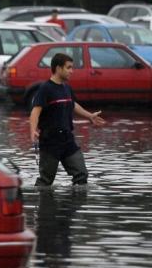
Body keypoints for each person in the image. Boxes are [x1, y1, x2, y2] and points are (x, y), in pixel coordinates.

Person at [30, 53, 105, 186]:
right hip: (50, 142)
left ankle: (72, 205)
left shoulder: (66, 88)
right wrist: (33, 131)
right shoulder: (45, 88)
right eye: (69, 67)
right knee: (46, 181)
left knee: (81, 175)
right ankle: (42, 204)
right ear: (58, 68)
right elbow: (35, 112)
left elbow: (73, 104)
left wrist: (89, 116)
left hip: (68, 140)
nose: (72, 71)